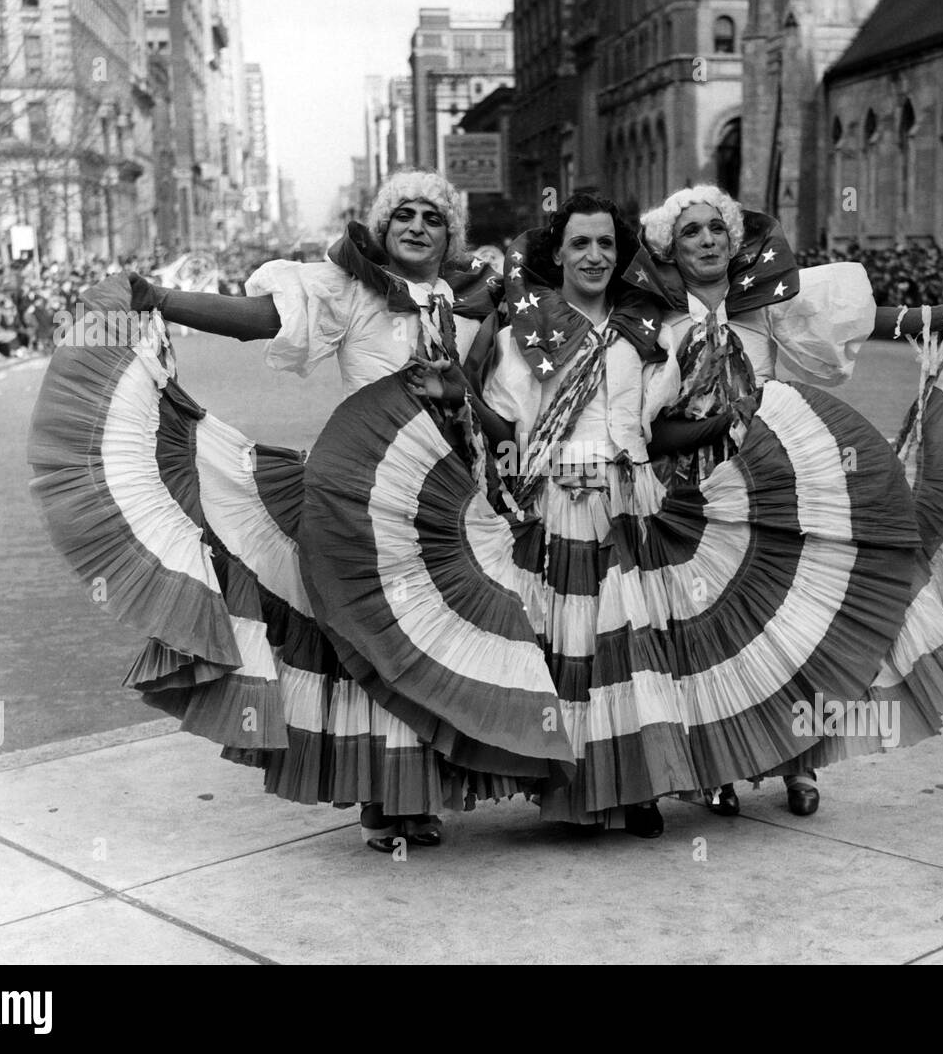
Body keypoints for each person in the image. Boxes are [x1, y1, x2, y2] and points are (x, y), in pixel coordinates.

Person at [323, 192, 927, 839]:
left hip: (631, 505)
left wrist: (730, 421)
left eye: (606, 243)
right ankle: (580, 793)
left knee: (635, 657)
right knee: (573, 655)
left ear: (623, 253)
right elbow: (507, 428)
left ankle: (635, 786)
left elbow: (655, 430)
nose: (594, 254)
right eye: (580, 243)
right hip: (559, 506)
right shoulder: (520, 334)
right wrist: (460, 396)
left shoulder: (647, 335)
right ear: (558, 253)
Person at [29, 169, 570, 854]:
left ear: (451, 232)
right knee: (370, 638)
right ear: (381, 225)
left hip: (448, 497)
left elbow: (508, 396)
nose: (415, 227)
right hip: (362, 490)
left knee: (436, 634)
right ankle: (386, 800)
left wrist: (465, 396)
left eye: (432, 217)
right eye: (401, 214)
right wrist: (164, 298)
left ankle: (425, 791)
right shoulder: (351, 288)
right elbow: (263, 320)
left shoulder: (475, 302)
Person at [633, 184, 943, 817]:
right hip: (694, 490)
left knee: (796, 623)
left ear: (733, 239)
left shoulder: (766, 302)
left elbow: (859, 319)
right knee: (713, 632)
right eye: (691, 232)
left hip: (778, 480)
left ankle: (799, 764)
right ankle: (719, 766)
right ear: (668, 247)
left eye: (717, 228)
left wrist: (935, 319)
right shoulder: (654, 318)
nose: (707, 240)